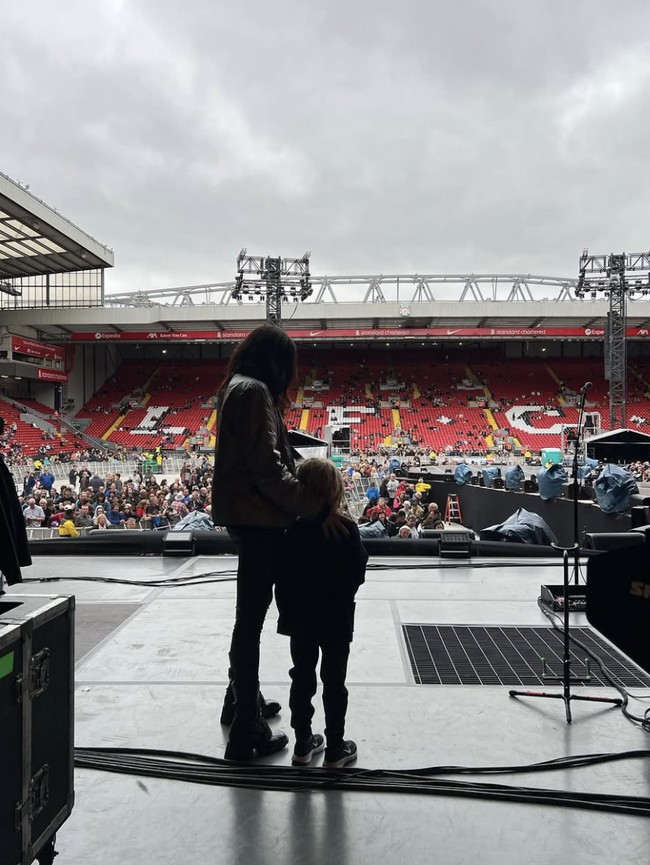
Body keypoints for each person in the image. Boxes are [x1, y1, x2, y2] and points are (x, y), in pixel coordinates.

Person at [212, 325, 334, 761]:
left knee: (248, 619)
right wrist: (315, 507)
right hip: (258, 519)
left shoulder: (239, 387)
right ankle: (247, 728)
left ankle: (239, 700)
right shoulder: (255, 393)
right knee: (250, 622)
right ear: (277, 363)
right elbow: (268, 469)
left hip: (248, 516)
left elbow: (267, 459)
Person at [275, 458, 367, 767]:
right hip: (336, 619)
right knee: (334, 681)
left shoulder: (290, 531)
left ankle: (302, 744)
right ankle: (336, 747)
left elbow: (282, 576)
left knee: (301, 677)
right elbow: (358, 573)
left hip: (299, 619)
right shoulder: (345, 528)